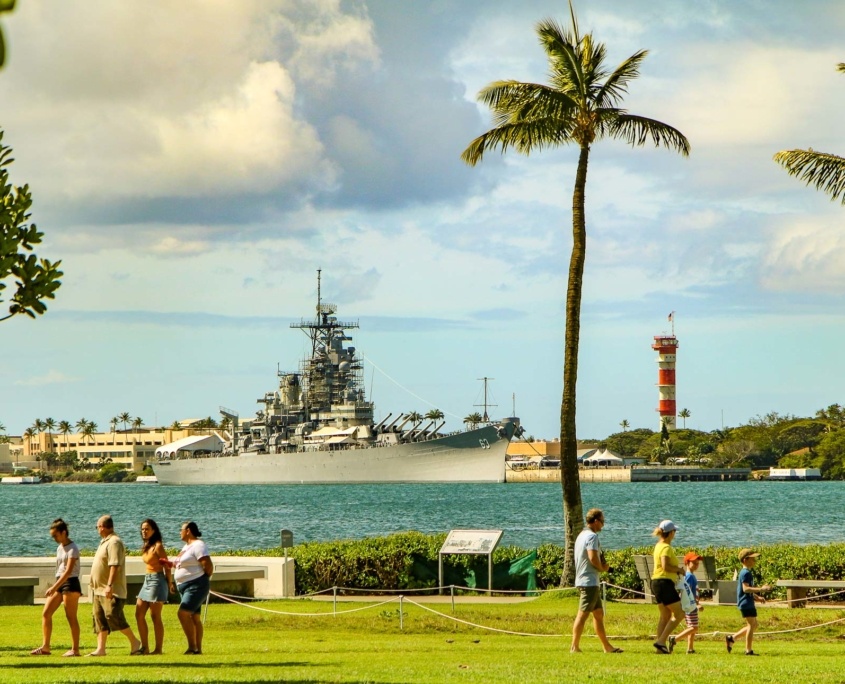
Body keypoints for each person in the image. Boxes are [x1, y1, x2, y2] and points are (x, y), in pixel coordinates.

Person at [87, 515, 143, 657]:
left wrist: (109, 585)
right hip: (98, 589)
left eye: (97, 527)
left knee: (113, 615)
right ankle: (101, 649)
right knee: (99, 619)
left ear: (102, 527)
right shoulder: (104, 542)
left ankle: (135, 642)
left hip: (111, 590)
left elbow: (114, 565)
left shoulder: (114, 542)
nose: (97, 530)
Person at [570, 508, 621, 653]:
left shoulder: (581, 535)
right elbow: (592, 557)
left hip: (586, 580)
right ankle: (574, 646)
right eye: (602, 521)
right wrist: (603, 568)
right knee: (582, 614)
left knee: (598, 614)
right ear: (596, 521)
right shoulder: (592, 537)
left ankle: (607, 647)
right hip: (589, 581)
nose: (603, 525)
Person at [31, 518, 82, 656]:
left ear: (64, 532)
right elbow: (60, 570)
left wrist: (54, 587)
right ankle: (45, 647)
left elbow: (68, 571)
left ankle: (75, 650)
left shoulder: (73, 548)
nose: (54, 538)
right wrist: (56, 586)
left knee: (71, 617)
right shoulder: (60, 547)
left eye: (55, 535)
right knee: (46, 613)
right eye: (52, 536)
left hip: (70, 583)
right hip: (60, 582)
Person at [171, 521, 213, 655]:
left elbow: (208, 565)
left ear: (188, 530)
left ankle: (192, 647)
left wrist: (201, 579)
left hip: (196, 585)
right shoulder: (186, 547)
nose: (179, 532)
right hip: (184, 586)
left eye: (181, 529)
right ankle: (198, 649)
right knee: (194, 617)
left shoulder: (198, 545)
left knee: (183, 613)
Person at [135, 519, 171, 655]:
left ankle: (158, 649)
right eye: (143, 529)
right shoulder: (147, 546)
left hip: (157, 580)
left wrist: (170, 583)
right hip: (147, 580)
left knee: (155, 616)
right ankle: (144, 647)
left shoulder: (158, 546)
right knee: (139, 614)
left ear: (153, 531)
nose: (144, 531)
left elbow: (167, 566)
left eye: (147, 529)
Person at [726, 549, 771, 656]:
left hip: (748, 602)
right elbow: (746, 589)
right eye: (752, 559)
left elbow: (746, 591)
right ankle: (748, 650)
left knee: (754, 625)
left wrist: (757, 598)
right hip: (746, 603)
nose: (755, 561)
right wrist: (762, 589)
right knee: (751, 625)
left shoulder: (745, 572)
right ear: (745, 560)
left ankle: (732, 638)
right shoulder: (746, 573)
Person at [650, 519, 685, 654]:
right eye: (674, 531)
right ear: (671, 533)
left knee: (665, 616)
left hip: (656, 582)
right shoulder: (666, 547)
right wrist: (679, 570)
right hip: (664, 583)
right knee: (679, 613)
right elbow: (665, 566)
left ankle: (660, 649)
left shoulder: (658, 545)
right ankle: (661, 641)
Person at [669, 551, 704, 654]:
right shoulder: (689, 576)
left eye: (698, 563)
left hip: (691, 605)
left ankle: (690, 648)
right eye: (694, 563)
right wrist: (696, 604)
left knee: (691, 627)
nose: (697, 565)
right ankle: (674, 639)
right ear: (687, 563)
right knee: (694, 627)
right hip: (690, 605)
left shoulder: (691, 576)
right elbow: (687, 591)